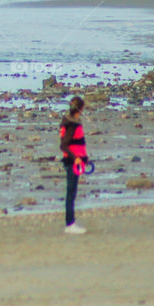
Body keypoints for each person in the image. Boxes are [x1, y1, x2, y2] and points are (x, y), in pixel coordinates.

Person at [60, 94, 89, 235]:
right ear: (80, 109)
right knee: (71, 193)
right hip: (72, 162)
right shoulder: (71, 124)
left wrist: (85, 158)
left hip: (76, 162)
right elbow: (64, 145)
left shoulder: (73, 122)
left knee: (73, 193)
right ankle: (70, 224)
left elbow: (79, 144)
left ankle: (71, 222)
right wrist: (76, 158)